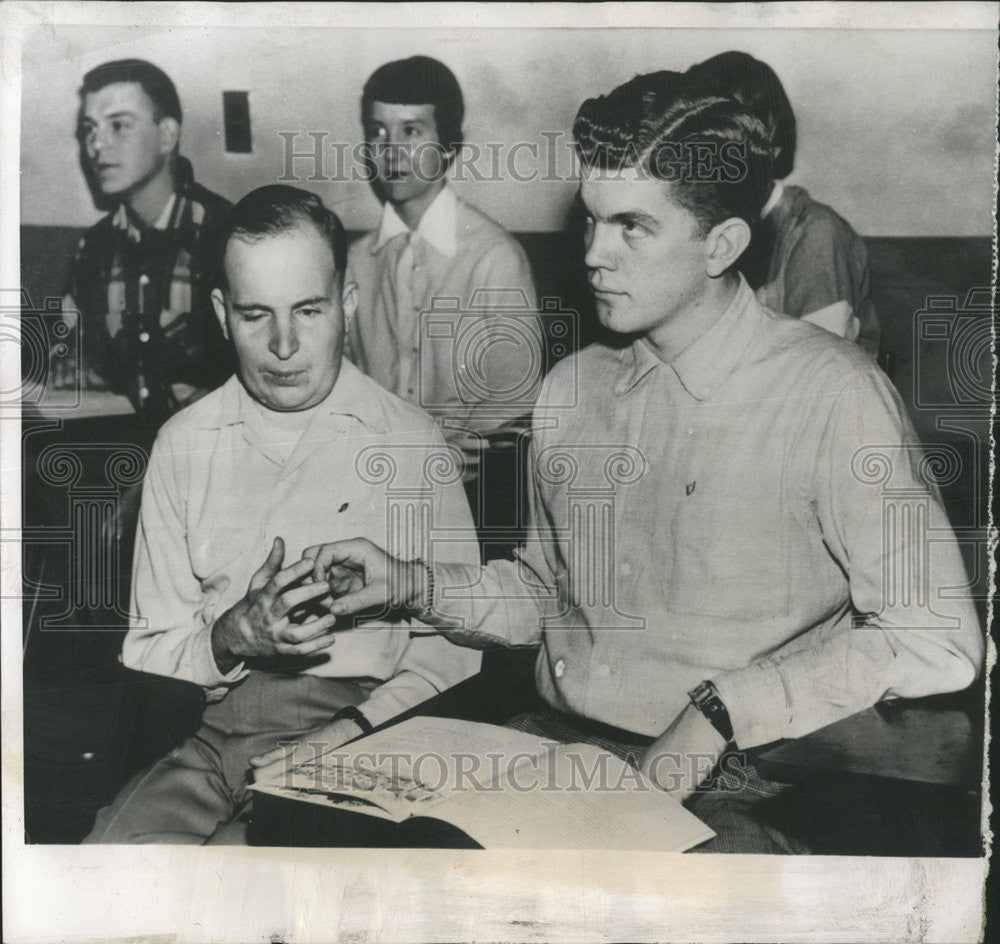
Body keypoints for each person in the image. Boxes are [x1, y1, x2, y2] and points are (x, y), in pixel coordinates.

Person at [301, 71, 983, 852]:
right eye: (591, 221)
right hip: (552, 751)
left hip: (745, 777)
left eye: (632, 227)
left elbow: (941, 639)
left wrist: (725, 708)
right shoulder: (571, 387)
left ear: (722, 244)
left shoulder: (833, 395)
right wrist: (410, 585)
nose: (593, 254)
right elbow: (546, 598)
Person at [83, 185, 480, 844]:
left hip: (366, 735)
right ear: (221, 313)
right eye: (255, 315)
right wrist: (229, 637)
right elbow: (150, 650)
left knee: (263, 883)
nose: (285, 344)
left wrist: (345, 731)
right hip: (209, 737)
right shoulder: (185, 442)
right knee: (113, 868)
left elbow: (454, 654)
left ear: (347, 305)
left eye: (309, 310)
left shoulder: (409, 441)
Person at [346, 56, 545, 482]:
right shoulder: (356, 261)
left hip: (468, 495)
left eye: (412, 131)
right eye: (377, 132)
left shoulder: (494, 258)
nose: (391, 150)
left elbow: (515, 405)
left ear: (450, 145)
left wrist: (448, 464)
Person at [59, 59, 232, 415]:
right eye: (90, 129)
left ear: (167, 135)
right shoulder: (93, 249)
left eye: (119, 125)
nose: (97, 145)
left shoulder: (227, 234)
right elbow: (71, 371)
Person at [687, 51, 881, 358]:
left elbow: (819, 371)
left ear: (772, 147)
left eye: (729, 148)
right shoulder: (702, 225)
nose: (710, 163)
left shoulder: (815, 233)